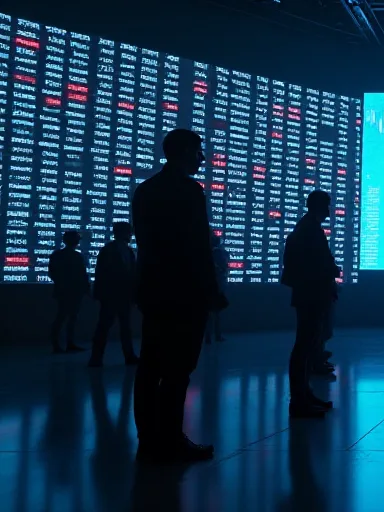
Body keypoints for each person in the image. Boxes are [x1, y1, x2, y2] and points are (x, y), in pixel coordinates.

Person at [132, 129, 225, 463]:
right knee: (177, 370)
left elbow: (146, 245)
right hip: (185, 295)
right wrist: (212, 292)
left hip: (154, 292)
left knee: (150, 366)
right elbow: (198, 248)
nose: (203, 158)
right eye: (199, 151)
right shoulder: (189, 191)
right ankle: (171, 440)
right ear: (185, 151)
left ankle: (148, 439)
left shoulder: (145, 191)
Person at [281, 190, 340, 418]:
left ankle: (305, 394)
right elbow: (314, 263)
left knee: (307, 345)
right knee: (304, 346)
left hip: (311, 294)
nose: (329, 211)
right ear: (318, 206)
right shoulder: (310, 229)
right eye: (327, 206)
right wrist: (330, 270)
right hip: (311, 295)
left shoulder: (307, 227)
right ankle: (300, 399)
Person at [88, 222, 139, 367]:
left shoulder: (127, 251)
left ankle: (128, 356)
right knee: (104, 327)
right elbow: (101, 274)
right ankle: (96, 358)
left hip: (123, 296)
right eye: (129, 232)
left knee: (123, 328)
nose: (131, 235)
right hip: (111, 296)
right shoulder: (109, 250)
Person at [48, 230, 90, 353]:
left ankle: (59, 344)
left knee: (64, 317)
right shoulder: (77, 256)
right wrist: (86, 290)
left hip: (65, 291)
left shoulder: (57, 255)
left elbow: (52, 273)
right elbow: (83, 275)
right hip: (74, 291)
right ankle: (67, 344)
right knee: (68, 317)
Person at [205, 232, 229, 344]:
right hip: (217, 287)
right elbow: (224, 268)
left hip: (208, 286)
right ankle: (216, 336)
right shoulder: (220, 253)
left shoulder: (207, 253)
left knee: (209, 314)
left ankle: (208, 337)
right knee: (216, 314)